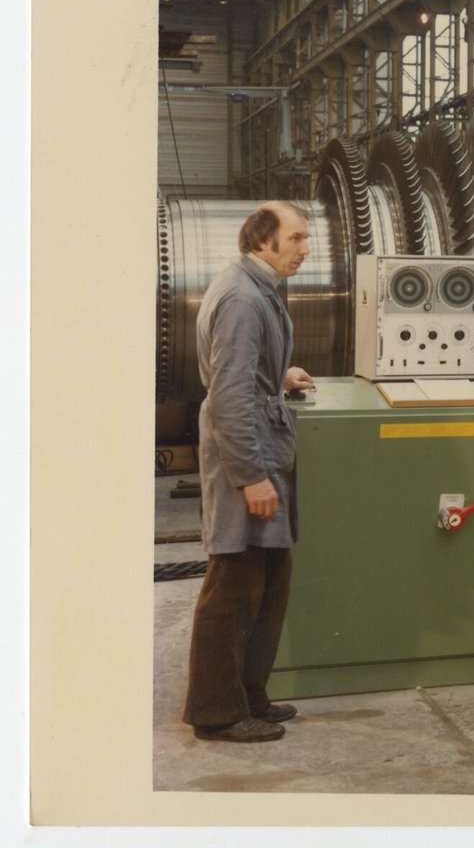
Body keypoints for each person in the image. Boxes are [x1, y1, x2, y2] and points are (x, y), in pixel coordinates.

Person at [182, 201, 313, 742]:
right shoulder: (241, 297)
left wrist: (278, 377)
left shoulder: (255, 287)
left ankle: (248, 696)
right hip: (248, 459)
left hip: (261, 449)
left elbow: (243, 373)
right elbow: (230, 396)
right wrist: (251, 477)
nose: (306, 250)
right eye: (298, 239)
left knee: (267, 582)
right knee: (234, 586)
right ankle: (217, 712)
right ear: (263, 240)